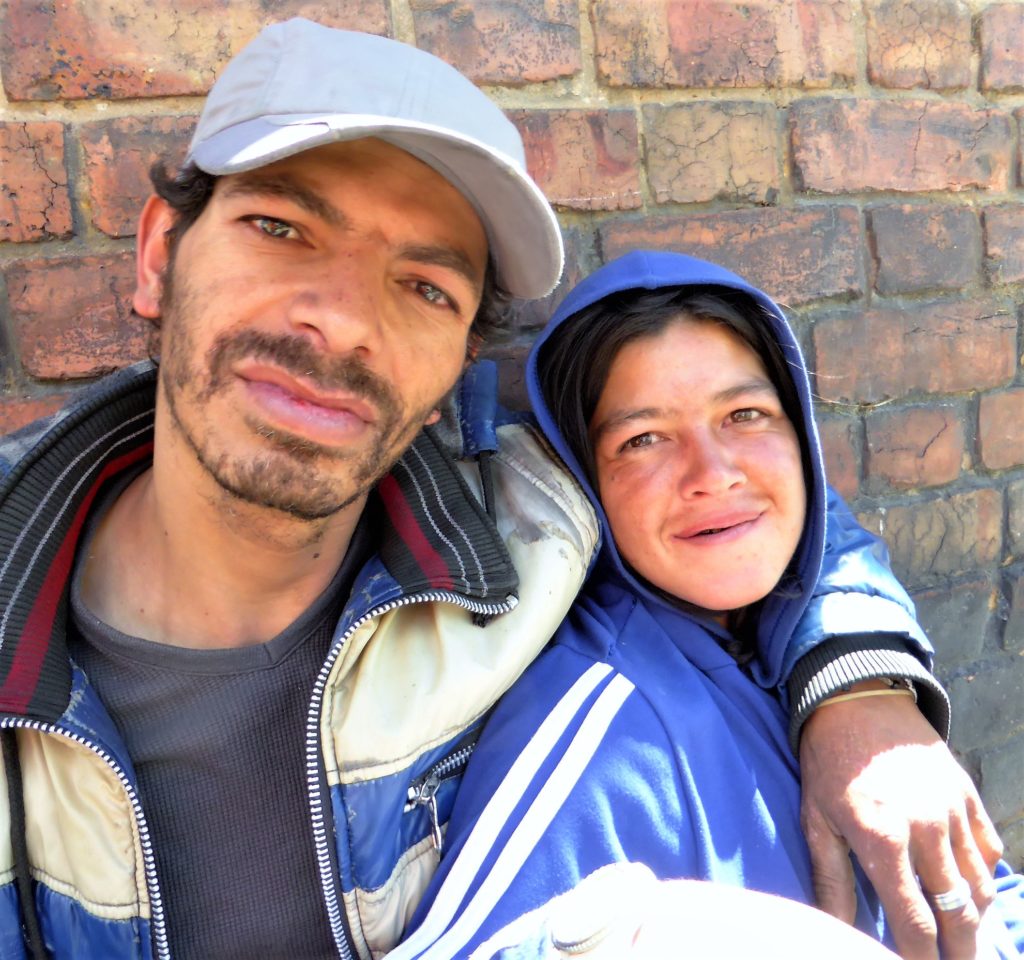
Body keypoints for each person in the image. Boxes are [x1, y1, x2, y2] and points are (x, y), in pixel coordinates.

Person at [0, 19, 1001, 960]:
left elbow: (755, 515)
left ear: (454, 376)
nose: (345, 322)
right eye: (281, 227)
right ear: (159, 254)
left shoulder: (528, 531)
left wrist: (861, 698)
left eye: (425, 286)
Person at [395, 251, 1024, 960]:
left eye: (745, 414)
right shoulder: (599, 727)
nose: (712, 474)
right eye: (643, 439)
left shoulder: (804, 656)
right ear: (584, 479)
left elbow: (987, 903)